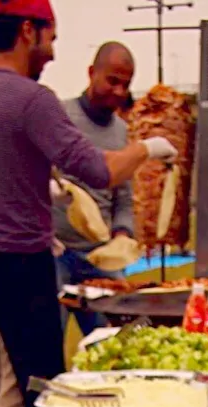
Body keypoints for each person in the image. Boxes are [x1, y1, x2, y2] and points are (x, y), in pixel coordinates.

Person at [0, 0, 177, 407]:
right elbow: (95, 170)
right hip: (19, 259)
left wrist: (38, 190)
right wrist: (147, 150)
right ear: (29, 31)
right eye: (51, 38)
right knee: (32, 383)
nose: (52, 52)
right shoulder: (32, 97)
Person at [53, 42, 136, 337]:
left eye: (125, 85)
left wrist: (123, 234)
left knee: (112, 341)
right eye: (112, 81)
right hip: (56, 254)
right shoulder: (58, 117)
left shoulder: (123, 132)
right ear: (91, 73)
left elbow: (124, 198)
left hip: (101, 257)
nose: (118, 91)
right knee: (50, 342)